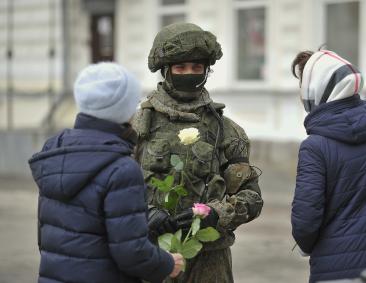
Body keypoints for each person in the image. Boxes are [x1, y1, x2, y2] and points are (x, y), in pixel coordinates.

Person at [28, 62, 184, 283]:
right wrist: (167, 263)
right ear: (126, 109)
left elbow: (46, 239)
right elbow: (131, 253)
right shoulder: (122, 169)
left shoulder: (56, 153)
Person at [132, 22, 264, 283]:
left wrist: (217, 214)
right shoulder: (137, 127)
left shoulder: (226, 130)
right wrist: (144, 213)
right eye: (181, 67)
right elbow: (113, 191)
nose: (189, 73)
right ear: (166, 70)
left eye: (197, 67)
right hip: (151, 253)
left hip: (209, 260)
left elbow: (252, 198)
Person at [290, 50, 366, 282]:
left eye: (302, 84)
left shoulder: (315, 146)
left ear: (315, 88)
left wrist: (305, 244)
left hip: (336, 267)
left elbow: (306, 219)